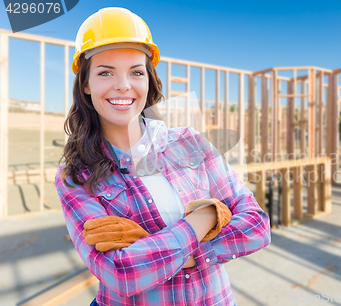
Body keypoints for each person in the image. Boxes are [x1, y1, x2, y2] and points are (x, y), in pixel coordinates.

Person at [55, 7, 271, 306]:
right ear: (86, 84)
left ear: (148, 80)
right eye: (106, 72)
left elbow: (257, 225)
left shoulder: (190, 143)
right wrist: (206, 217)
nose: (123, 85)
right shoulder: (76, 174)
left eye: (136, 72)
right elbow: (121, 273)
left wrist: (167, 254)